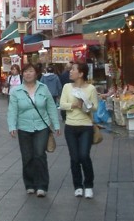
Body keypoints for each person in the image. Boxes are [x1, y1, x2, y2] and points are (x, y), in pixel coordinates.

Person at [7, 63, 61, 197]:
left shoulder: (43, 89)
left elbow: (51, 107)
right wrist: (12, 126)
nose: (28, 74)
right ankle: (30, 184)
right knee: (27, 157)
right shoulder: (16, 91)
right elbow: (12, 110)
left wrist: (56, 125)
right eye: (25, 71)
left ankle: (42, 185)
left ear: (36, 73)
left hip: (41, 126)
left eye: (30, 71)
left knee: (39, 155)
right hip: (24, 127)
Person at [59, 62, 98, 199]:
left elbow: (95, 107)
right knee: (74, 157)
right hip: (70, 126)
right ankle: (77, 186)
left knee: (84, 156)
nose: (70, 72)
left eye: (73, 70)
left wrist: (86, 103)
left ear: (81, 73)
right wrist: (73, 104)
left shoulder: (91, 88)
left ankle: (88, 185)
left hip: (86, 126)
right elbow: (62, 104)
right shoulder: (67, 87)